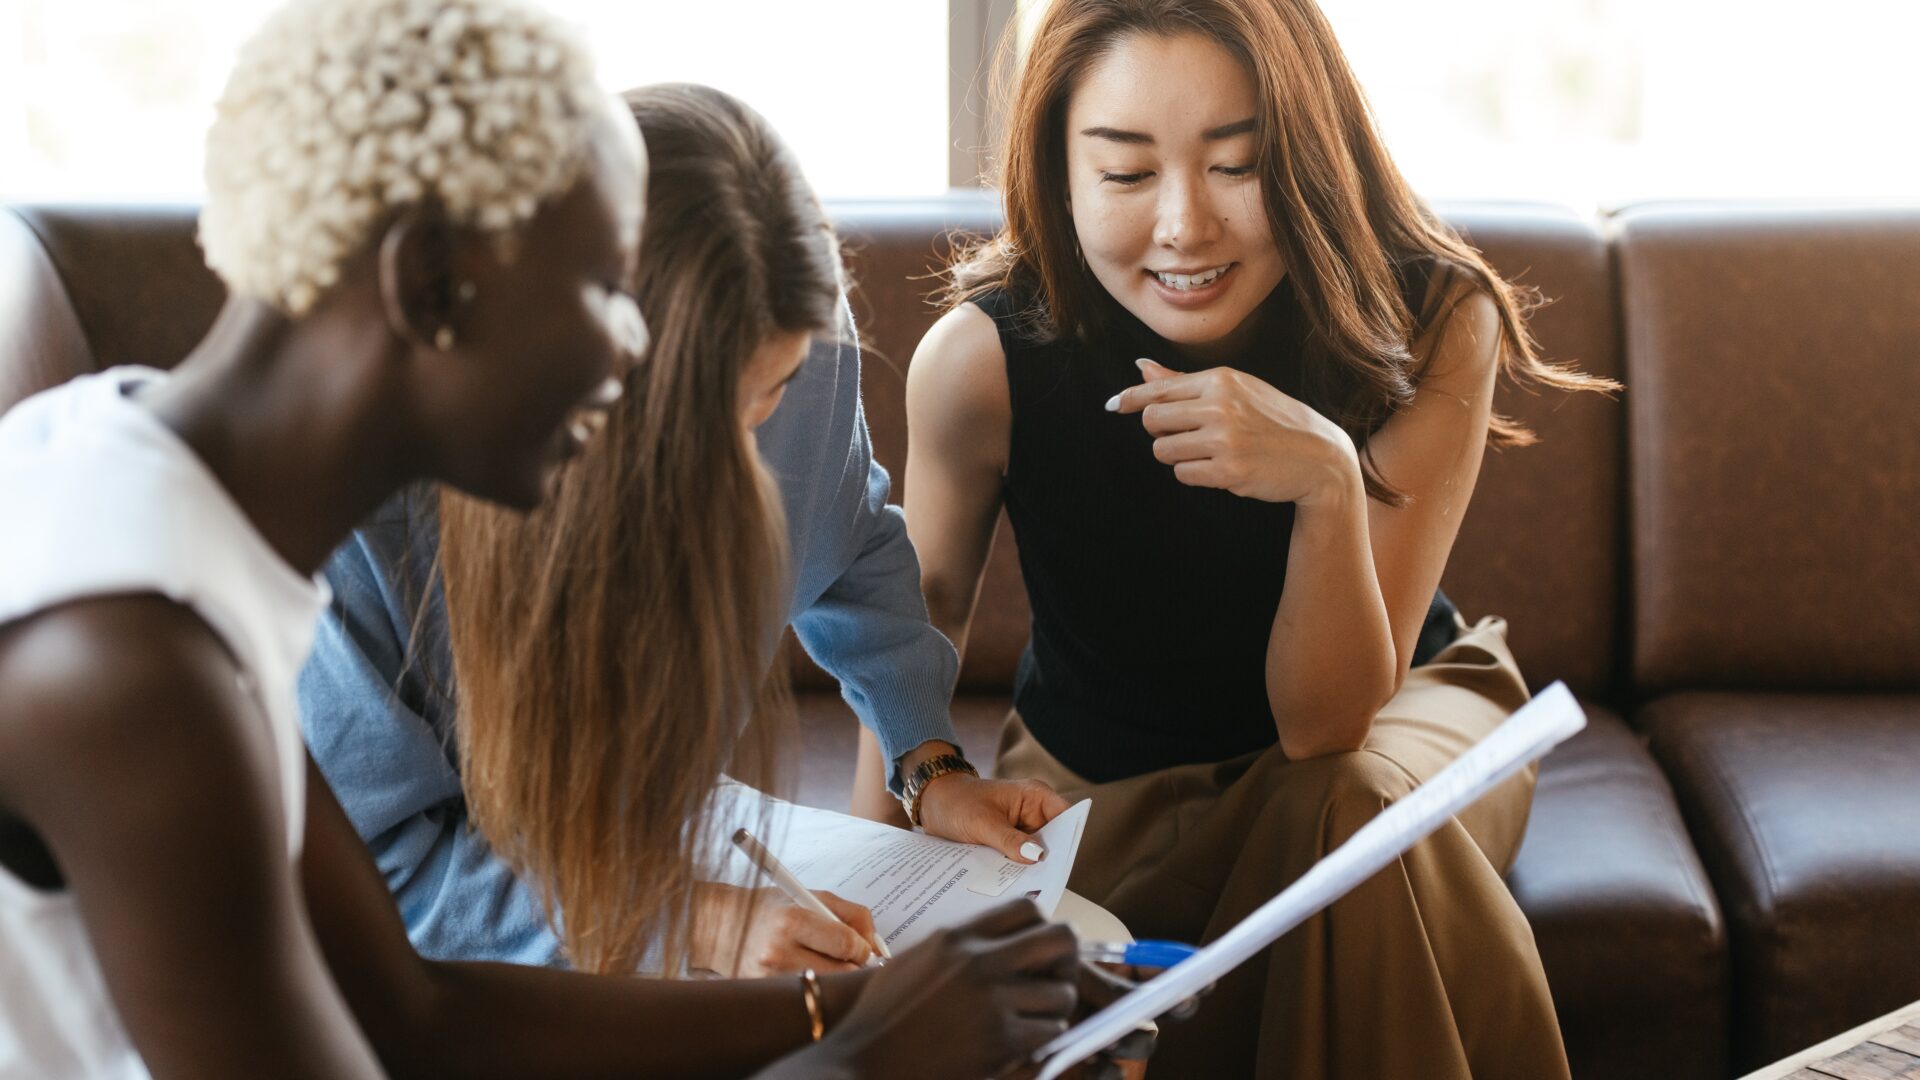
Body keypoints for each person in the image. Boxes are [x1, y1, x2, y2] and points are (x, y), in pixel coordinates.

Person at [0, 2, 1097, 1076]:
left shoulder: (166, 508)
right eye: (597, 286)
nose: (628, 347)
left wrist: (856, 1005)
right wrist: (862, 1054)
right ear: (432, 286)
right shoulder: (128, 667)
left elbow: (416, 1015)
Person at [850, 0, 1618, 1076]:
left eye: (1238, 165)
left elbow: (1327, 725)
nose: (1184, 227)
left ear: (1309, 154)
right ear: (1056, 174)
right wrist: (865, 889)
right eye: (1124, 174)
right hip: (1099, 771)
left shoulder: (1438, 318)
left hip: (1393, 727)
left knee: (1339, 815)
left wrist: (1328, 485)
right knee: (1322, 850)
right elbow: (917, 612)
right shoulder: (979, 360)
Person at [298, 89, 1073, 976]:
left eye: (772, 391)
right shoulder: (368, 501)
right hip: (457, 982)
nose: (751, 454)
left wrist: (929, 766)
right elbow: (380, 876)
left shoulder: (807, 354)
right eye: (707, 415)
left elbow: (850, 548)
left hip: (663, 860)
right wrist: (691, 923)